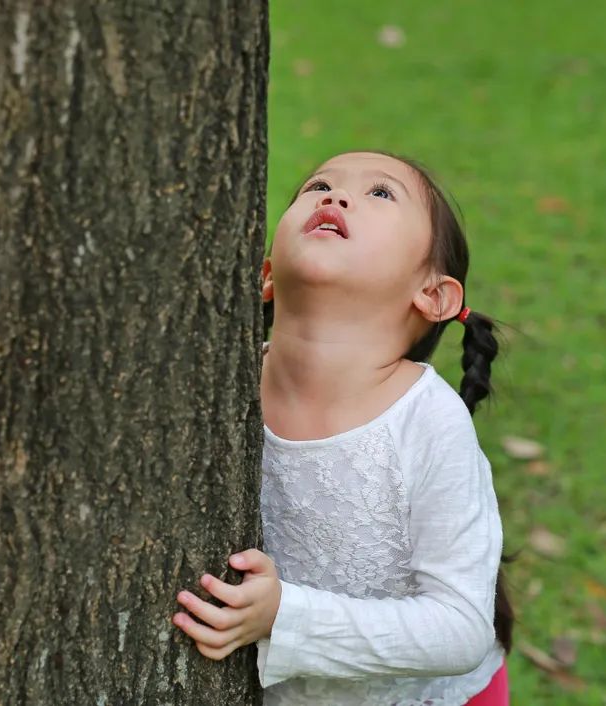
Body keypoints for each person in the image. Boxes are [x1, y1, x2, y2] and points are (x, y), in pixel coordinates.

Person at [171, 150, 513, 704]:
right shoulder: (222, 389)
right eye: (317, 185)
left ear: (434, 295)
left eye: (380, 193)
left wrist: (286, 616)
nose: (334, 196)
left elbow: (461, 627)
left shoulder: (428, 421)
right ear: (266, 278)